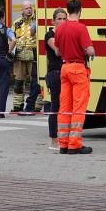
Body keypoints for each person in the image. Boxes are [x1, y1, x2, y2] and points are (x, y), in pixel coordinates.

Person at [55, 0, 95, 155]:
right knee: (79, 107)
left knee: (65, 107)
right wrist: (89, 51)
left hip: (64, 68)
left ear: (67, 10)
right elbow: (89, 50)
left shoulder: (59, 28)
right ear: (80, 11)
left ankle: (63, 144)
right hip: (78, 69)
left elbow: (57, 52)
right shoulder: (81, 28)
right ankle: (75, 145)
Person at [44, 8, 66, 150]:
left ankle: (65, 137)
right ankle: (54, 140)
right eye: (59, 19)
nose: (62, 21)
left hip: (67, 72)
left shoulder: (66, 33)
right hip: (55, 73)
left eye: (65, 19)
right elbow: (57, 50)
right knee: (55, 106)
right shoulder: (50, 34)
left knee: (66, 107)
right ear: (53, 21)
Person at [11, 0, 38, 113]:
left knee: (36, 81)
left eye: (30, 7)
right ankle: (18, 105)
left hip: (33, 55)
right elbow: (11, 38)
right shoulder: (16, 23)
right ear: (21, 10)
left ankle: (37, 105)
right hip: (19, 55)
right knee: (18, 81)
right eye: (26, 8)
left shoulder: (37, 21)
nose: (29, 9)